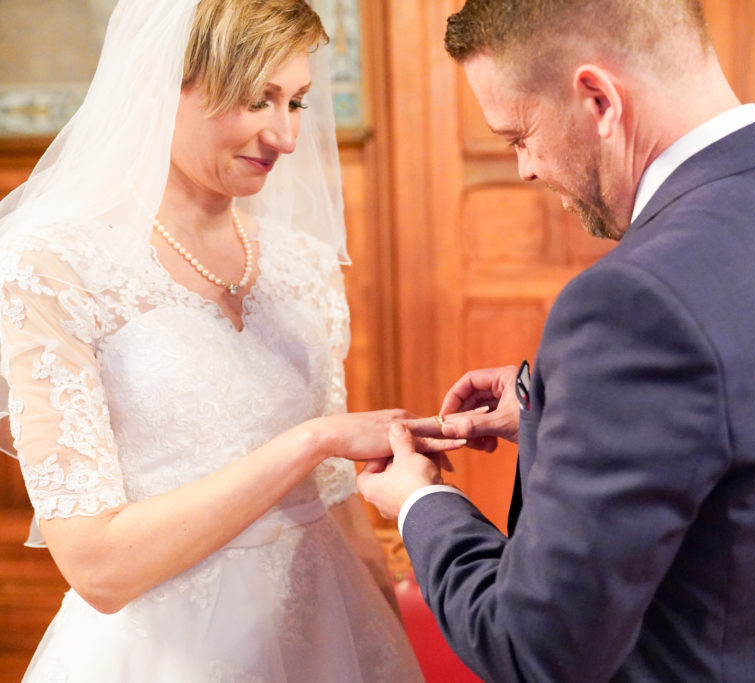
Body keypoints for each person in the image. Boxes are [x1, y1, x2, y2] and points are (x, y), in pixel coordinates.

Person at [357, 1, 755, 681]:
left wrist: (421, 501)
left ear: (598, 99)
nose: (525, 168)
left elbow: (533, 647)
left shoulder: (633, 305)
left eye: (519, 136)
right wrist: (563, 406)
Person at [0, 0, 458, 680]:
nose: (286, 136)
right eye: (256, 100)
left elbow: (337, 502)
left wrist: (390, 651)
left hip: (331, 633)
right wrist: (313, 439)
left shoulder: (304, 267)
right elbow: (97, 567)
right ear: (161, 83)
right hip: (168, 654)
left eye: (296, 102)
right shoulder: (55, 266)